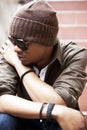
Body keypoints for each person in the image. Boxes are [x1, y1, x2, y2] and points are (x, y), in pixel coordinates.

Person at [0, 0, 87, 130]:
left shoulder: (74, 54)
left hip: (58, 123)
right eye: (13, 40)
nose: (16, 48)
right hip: (27, 118)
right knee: (4, 121)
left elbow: (59, 101)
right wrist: (54, 111)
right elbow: (2, 100)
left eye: (22, 43)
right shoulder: (11, 52)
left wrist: (20, 66)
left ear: (46, 42)